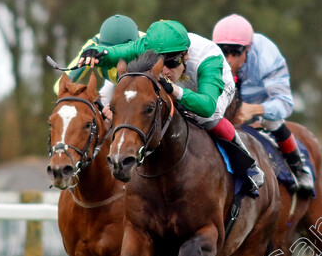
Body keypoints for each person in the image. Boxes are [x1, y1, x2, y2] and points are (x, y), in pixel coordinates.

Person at [79, 19, 264, 196]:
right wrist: (96, 53)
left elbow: (207, 106)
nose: (165, 70)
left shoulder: (208, 59)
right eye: (159, 61)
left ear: (186, 55)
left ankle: (249, 166)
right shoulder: (145, 46)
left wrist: (174, 90)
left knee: (206, 119)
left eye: (171, 62)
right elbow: (115, 53)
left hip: (211, 88)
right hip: (177, 84)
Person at [212, 14, 314, 194]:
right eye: (223, 50)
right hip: (229, 99)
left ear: (248, 48)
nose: (228, 59)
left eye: (235, 52)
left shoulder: (267, 56)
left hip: (260, 101)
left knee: (272, 121)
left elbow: (284, 104)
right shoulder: (209, 55)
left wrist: (255, 109)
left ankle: (298, 167)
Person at [53, 14, 142, 121]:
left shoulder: (146, 43)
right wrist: (85, 97)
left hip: (142, 85)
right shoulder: (92, 46)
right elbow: (60, 86)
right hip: (112, 84)